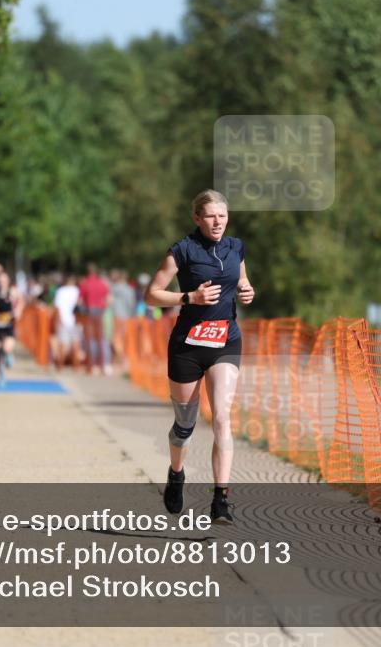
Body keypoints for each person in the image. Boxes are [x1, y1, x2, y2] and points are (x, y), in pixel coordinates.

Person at [144, 189, 255, 524]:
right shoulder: (182, 250)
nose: (217, 221)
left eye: (222, 215)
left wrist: (247, 290)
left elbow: (242, 281)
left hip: (225, 341)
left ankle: (221, 499)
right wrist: (189, 297)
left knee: (221, 417)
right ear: (197, 217)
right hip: (188, 346)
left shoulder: (236, 247)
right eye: (210, 216)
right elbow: (151, 295)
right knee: (185, 426)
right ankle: (176, 473)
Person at [0, 271, 24, 386]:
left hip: (9, 325)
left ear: (7, 281)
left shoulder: (13, 291)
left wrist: (18, 310)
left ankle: (9, 355)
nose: (1, 283)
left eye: (3, 281)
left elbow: (21, 301)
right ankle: (1, 375)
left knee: (6, 348)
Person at [79, 263, 111, 375]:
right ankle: (103, 365)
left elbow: (80, 300)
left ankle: (91, 366)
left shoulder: (85, 283)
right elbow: (108, 299)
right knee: (100, 339)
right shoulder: (102, 283)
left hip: (89, 312)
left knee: (90, 339)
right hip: (100, 312)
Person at [50, 274, 81, 369]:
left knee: (64, 344)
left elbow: (57, 307)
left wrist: (57, 320)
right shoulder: (77, 291)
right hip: (75, 320)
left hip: (64, 320)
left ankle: (60, 365)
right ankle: (76, 366)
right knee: (76, 344)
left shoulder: (61, 291)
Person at [110, 269, 136, 371]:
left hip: (116, 316)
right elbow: (132, 305)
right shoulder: (130, 290)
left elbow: (110, 302)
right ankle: (119, 359)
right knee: (123, 338)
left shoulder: (114, 288)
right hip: (127, 317)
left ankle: (121, 359)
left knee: (116, 338)